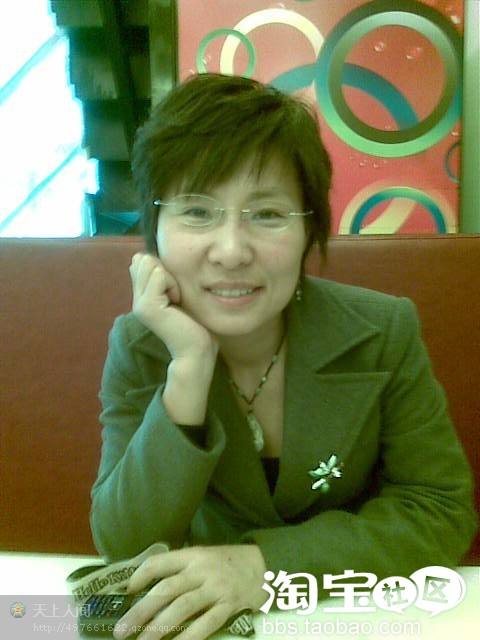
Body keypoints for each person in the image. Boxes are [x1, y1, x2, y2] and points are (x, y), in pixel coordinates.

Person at [90, 73, 477, 639]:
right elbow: (124, 542)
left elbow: (440, 509)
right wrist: (189, 368)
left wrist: (266, 566)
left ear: (309, 229)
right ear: (155, 230)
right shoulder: (142, 344)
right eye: (197, 212)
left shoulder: (382, 330)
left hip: (357, 620)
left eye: (267, 214)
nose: (230, 251)